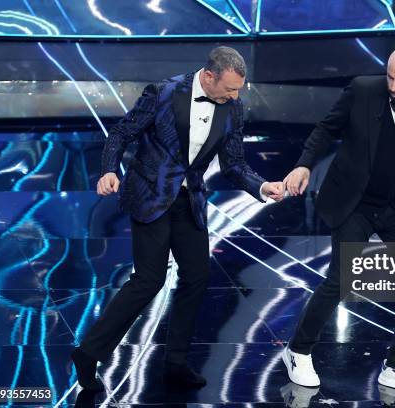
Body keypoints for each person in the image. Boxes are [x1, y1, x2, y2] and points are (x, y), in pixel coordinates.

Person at [71, 46, 284, 391]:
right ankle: (88, 352)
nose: (235, 95)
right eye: (230, 88)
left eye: (238, 90)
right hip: (150, 195)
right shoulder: (164, 93)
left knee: (197, 278)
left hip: (190, 200)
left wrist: (262, 187)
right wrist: (109, 170)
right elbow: (122, 133)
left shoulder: (233, 108)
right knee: (149, 280)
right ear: (210, 75)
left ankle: (175, 362)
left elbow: (234, 164)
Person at [281, 45, 395, 397]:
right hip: (356, 201)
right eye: (390, 76)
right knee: (341, 278)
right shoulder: (362, 90)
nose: (393, 85)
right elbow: (326, 129)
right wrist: (304, 164)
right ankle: (297, 351)